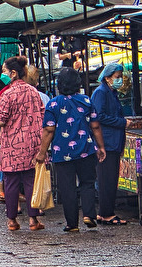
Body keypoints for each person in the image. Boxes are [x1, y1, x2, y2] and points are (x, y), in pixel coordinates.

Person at [36, 67, 107, 233]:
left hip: (61, 153)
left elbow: (48, 130)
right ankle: (89, 214)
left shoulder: (53, 104)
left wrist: (42, 151)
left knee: (67, 188)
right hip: (86, 150)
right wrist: (101, 146)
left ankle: (72, 224)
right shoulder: (86, 101)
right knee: (87, 183)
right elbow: (95, 126)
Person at [0, 55, 46, 231]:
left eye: (5, 72)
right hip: (32, 144)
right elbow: (43, 115)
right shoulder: (34, 92)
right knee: (31, 181)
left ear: (14, 73)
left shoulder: (7, 95)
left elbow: (0, 121)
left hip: (11, 145)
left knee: (11, 182)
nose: (3, 75)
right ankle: (33, 220)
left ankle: (12, 221)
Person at [90, 62, 130, 225]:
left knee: (110, 177)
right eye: (117, 77)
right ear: (107, 78)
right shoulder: (101, 93)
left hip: (113, 141)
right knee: (107, 178)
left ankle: (104, 212)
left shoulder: (111, 92)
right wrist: (121, 122)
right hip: (106, 141)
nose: (120, 80)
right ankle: (107, 213)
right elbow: (99, 116)